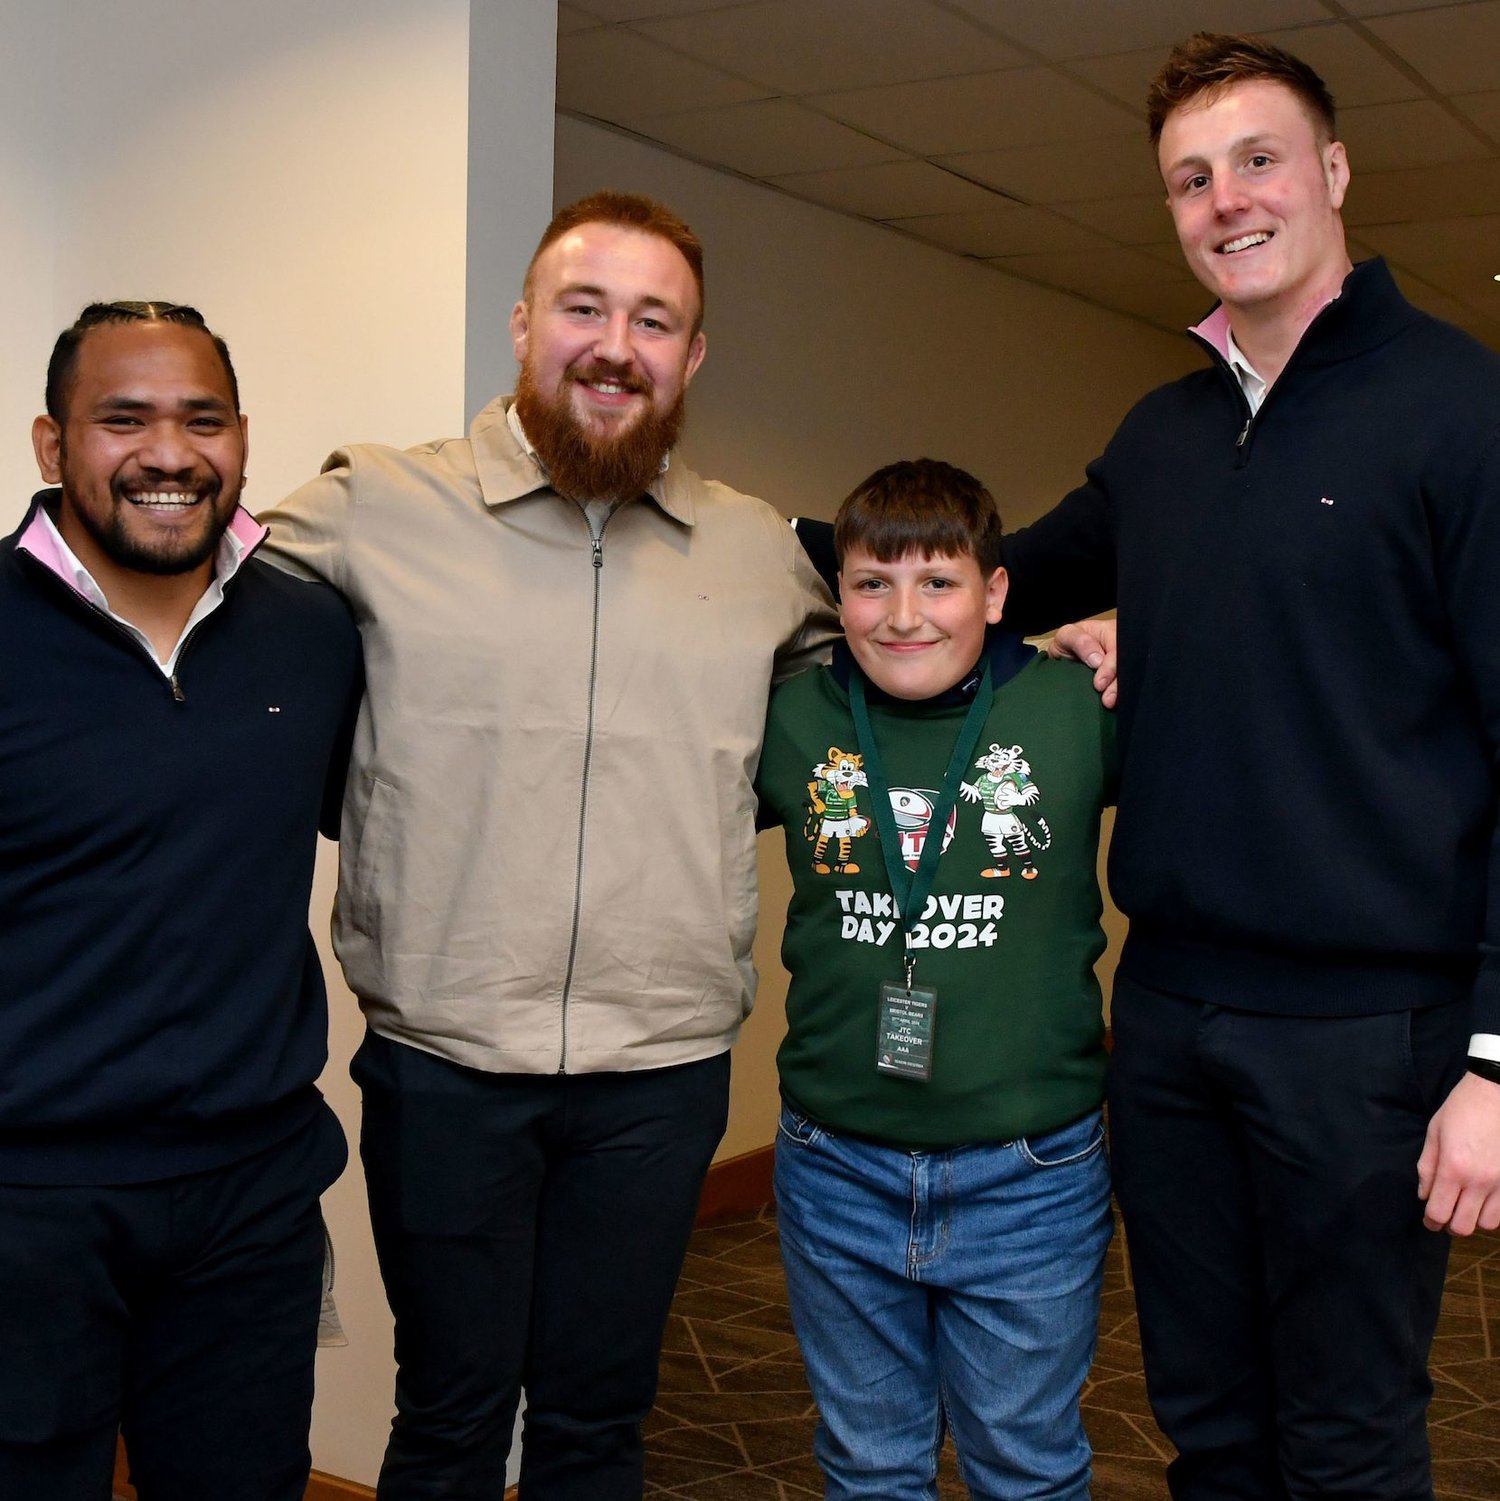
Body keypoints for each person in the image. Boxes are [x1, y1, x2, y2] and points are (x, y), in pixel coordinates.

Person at [256, 191, 836, 1499]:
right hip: (447, 1065)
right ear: (523, 327)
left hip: (662, 1073)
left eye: (654, 320)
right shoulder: (372, 509)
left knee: (596, 1423)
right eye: (584, 308)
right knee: (452, 1418)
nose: (614, 345)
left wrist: (1072, 658)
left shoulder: (760, 554)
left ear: (692, 357)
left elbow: (894, 682)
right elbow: (180, 610)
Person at [993, 32, 1500, 1501]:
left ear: (1335, 173)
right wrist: (777, 561)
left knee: (1345, 1433)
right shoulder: (1161, 434)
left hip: (1367, 1035)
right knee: (1206, 1417)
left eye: (1260, 160)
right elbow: (986, 582)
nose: (1229, 200)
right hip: (1164, 1017)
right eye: (1191, 179)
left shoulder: (1458, 409)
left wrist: (1490, 1055)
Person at [0, 301, 362, 1501]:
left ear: (243, 440)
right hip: (27, 1204)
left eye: (201, 420)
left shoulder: (311, 635)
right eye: (125, 419)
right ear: (54, 447)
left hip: (250, 1197)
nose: (168, 453)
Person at [757, 459, 1116, 1500]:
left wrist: (1141, 633)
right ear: (839, 596)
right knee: (869, 1466)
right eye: (872, 583)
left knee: (1028, 1466)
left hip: (1031, 1171)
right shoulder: (789, 718)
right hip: (837, 1167)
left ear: (996, 593)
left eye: (940, 582)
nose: (903, 615)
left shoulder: (1074, 705)